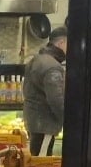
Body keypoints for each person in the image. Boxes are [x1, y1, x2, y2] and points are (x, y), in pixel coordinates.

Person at [23, 26, 67, 156]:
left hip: (35, 122)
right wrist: (69, 120)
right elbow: (56, 99)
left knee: (36, 158)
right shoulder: (53, 67)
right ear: (61, 43)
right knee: (41, 162)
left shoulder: (37, 59)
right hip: (45, 124)